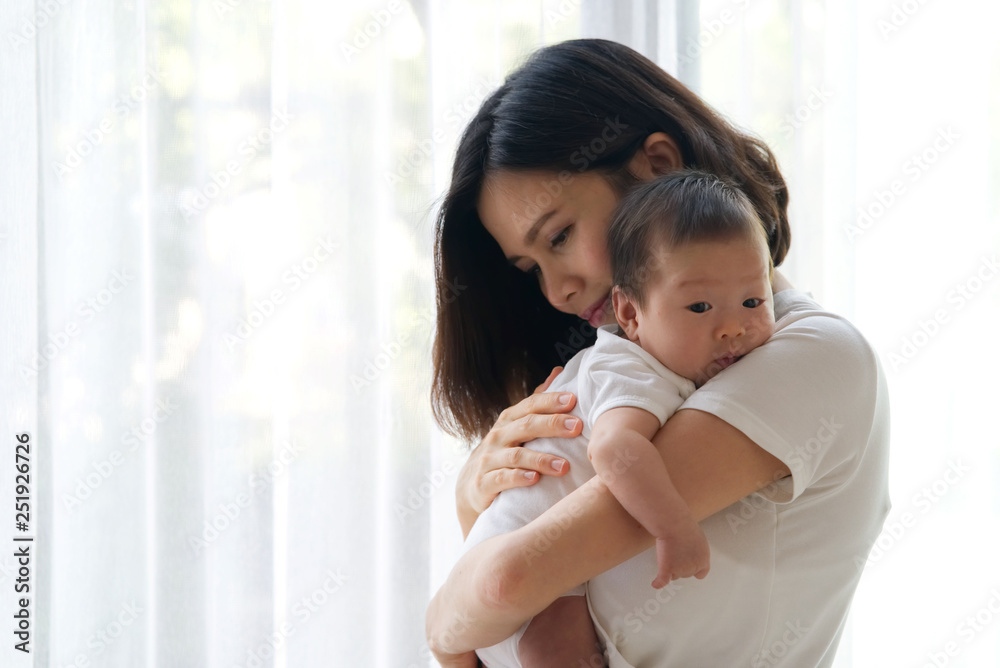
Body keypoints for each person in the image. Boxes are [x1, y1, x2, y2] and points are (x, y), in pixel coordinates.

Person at [426, 38, 890, 668]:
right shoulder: (619, 372)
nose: (558, 290)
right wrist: (469, 498)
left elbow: (504, 585)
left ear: (658, 163)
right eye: (530, 268)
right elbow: (506, 616)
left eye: (560, 235)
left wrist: (440, 627)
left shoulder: (815, 359)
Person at [466, 170, 777, 667]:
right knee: (562, 645)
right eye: (699, 306)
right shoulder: (632, 367)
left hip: (514, 564)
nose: (733, 327)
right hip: (523, 566)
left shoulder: (670, 357)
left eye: (754, 301)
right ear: (629, 316)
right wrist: (675, 529)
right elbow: (615, 450)